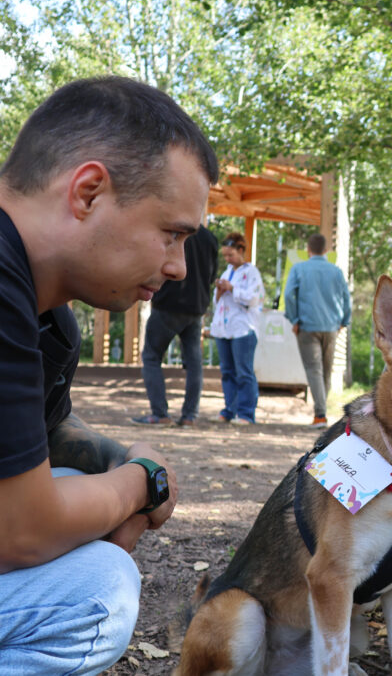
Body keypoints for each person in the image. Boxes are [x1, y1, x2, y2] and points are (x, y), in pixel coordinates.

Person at [0, 76, 216, 673]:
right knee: (97, 589)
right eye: (172, 234)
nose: (177, 267)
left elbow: (46, 434)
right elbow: (19, 530)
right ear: (89, 191)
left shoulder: (49, 319)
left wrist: (124, 459)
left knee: (72, 482)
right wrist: (141, 481)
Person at [132, 220, 218, 427]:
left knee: (151, 357)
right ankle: (190, 416)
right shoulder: (210, 238)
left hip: (168, 305)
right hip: (196, 308)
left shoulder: (174, 232)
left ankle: (160, 414)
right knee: (194, 362)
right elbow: (212, 275)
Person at [284, 232, 351, 428]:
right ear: (326, 250)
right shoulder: (336, 271)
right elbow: (346, 298)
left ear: (308, 249)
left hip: (307, 326)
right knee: (326, 371)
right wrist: (343, 321)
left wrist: (294, 319)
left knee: (314, 370)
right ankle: (320, 412)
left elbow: (289, 295)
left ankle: (320, 414)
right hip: (331, 327)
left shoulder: (299, 269)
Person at [210, 232, 265, 425]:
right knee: (227, 371)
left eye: (231, 255)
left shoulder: (252, 273)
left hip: (243, 329)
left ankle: (246, 413)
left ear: (241, 251)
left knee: (244, 372)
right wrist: (219, 290)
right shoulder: (227, 272)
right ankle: (229, 410)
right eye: (225, 255)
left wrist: (232, 288)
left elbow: (253, 299)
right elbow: (217, 304)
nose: (228, 259)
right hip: (224, 329)